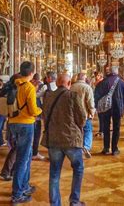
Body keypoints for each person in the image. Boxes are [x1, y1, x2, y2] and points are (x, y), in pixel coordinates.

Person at [42, 73, 86, 206]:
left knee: (54, 174)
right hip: (71, 140)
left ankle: (55, 204)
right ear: (68, 84)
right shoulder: (73, 96)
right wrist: (77, 128)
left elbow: (44, 116)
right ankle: (74, 201)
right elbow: (82, 118)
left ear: (58, 83)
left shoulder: (48, 96)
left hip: (54, 140)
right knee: (78, 169)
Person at [8, 62, 42, 204]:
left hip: (12, 123)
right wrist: (41, 111)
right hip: (26, 124)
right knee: (23, 159)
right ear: (32, 73)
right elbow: (33, 110)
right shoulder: (29, 87)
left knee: (26, 156)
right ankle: (17, 194)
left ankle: (24, 186)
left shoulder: (14, 84)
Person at [94, 66, 124, 155]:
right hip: (118, 107)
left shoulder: (103, 82)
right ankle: (114, 149)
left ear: (109, 72)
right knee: (116, 128)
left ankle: (106, 148)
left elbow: (97, 95)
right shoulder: (122, 83)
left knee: (106, 127)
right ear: (117, 72)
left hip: (106, 108)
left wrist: (97, 106)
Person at [70, 73, 95, 159]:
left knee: (77, 131)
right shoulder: (87, 87)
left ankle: (76, 146)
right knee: (87, 130)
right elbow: (90, 102)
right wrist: (92, 112)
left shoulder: (71, 87)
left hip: (73, 113)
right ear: (84, 79)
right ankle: (86, 147)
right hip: (85, 114)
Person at [34, 71, 58, 160]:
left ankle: (51, 150)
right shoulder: (59, 86)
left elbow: (36, 95)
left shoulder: (45, 87)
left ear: (49, 78)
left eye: (47, 77)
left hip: (47, 113)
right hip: (57, 112)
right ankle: (55, 152)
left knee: (48, 131)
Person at [31, 73, 45, 161]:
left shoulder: (26, 86)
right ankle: (34, 153)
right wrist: (41, 111)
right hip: (36, 114)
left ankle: (32, 152)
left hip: (28, 116)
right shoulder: (41, 87)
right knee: (36, 134)